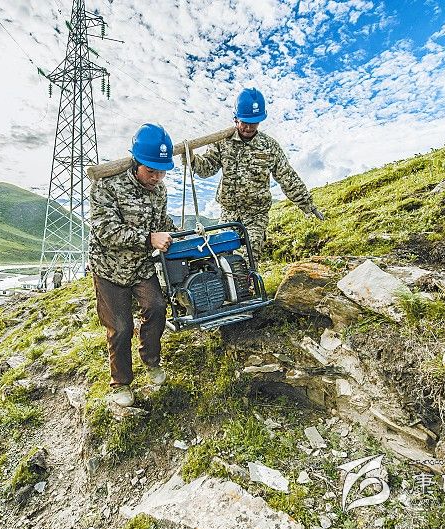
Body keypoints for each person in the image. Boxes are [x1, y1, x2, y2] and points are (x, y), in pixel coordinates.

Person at [89, 123, 177, 407]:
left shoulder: (159, 191)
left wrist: (176, 234)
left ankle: (151, 361)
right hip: (109, 268)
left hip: (141, 267)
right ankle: (121, 383)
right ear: (136, 163)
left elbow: (162, 222)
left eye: (162, 171)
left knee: (157, 308)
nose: (157, 177)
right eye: (151, 171)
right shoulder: (107, 187)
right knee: (120, 326)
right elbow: (106, 231)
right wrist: (148, 238)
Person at [184, 88, 325, 256]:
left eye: (254, 122)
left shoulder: (270, 147)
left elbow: (287, 178)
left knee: (249, 258)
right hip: (228, 214)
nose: (249, 127)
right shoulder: (222, 142)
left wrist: (308, 206)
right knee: (223, 259)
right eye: (245, 122)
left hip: (256, 215)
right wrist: (193, 160)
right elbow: (208, 168)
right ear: (236, 118)